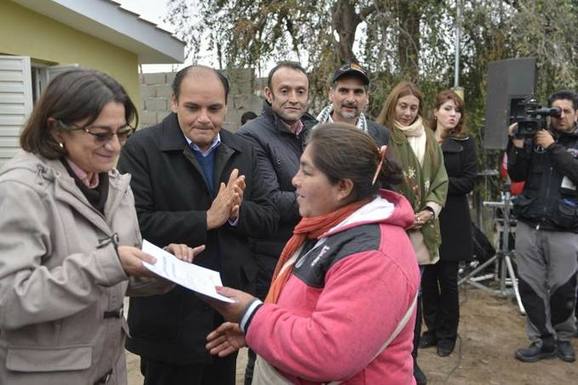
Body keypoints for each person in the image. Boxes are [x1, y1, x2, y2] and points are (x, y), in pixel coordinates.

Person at [0, 69, 197, 385]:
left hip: (107, 369)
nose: (115, 146)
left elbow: (113, 280)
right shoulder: (21, 190)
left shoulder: (115, 185)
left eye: (122, 133)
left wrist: (158, 268)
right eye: (100, 134)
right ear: (56, 130)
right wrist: (111, 262)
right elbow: (9, 300)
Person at [205, 123, 419, 385]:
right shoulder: (329, 228)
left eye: (306, 171)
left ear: (343, 187)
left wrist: (251, 313)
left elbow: (329, 352)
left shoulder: (375, 257)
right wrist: (257, 330)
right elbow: (308, 309)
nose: (295, 180)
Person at [118, 65, 279, 385]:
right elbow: (135, 224)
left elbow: (268, 218)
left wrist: (234, 213)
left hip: (225, 306)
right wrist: (206, 219)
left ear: (226, 106)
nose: (204, 118)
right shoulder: (142, 148)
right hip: (168, 309)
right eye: (193, 107)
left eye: (214, 108)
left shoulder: (244, 149)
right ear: (174, 102)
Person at [236, 61, 317, 385]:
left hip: (307, 251)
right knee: (265, 340)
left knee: (296, 342)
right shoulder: (252, 136)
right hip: (270, 257)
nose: (293, 98)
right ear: (268, 94)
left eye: (300, 91)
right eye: (284, 91)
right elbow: (272, 201)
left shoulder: (312, 130)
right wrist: (326, 199)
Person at [377, 81, 448, 385]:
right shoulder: (381, 135)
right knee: (387, 298)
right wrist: (402, 214)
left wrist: (430, 210)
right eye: (402, 106)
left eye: (413, 108)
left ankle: (411, 360)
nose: (407, 113)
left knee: (414, 299)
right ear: (392, 105)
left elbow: (440, 180)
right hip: (391, 228)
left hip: (421, 231)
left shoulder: (429, 139)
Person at [508, 90, 578, 363]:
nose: (559, 116)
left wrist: (552, 147)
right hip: (530, 225)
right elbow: (516, 174)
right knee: (531, 287)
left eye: (565, 111)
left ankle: (563, 338)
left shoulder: (556, 142)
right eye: (555, 110)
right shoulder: (535, 136)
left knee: (563, 290)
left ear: (576, 114)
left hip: (565, 228)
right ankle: (541, 340)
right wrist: (516, 143)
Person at [419, 90, 477, 357]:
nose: (453, 114)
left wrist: (438, 185)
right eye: (448, 109)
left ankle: (447, 334)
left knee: (448, 280)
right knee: (427, 280)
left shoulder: (466, 143)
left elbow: (468, 181)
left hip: (452, 220)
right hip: (426, 220)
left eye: (457, 110)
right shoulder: (422, 140)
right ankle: (431, 329)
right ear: (435, 112)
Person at [316, 63, 389, 146]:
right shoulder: (307, 132)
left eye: (358, 92)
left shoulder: (381, 136)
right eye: (344, 91)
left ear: (367, 97)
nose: (350, 99)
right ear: (331, 94)